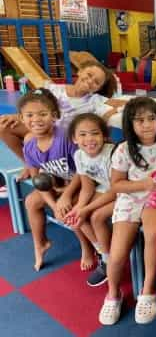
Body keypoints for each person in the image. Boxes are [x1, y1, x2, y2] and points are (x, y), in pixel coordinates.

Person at [98, 97, 156, 326]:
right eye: (140, 121)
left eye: (151, 118)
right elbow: (116, 184)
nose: (146, 125)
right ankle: (113, 294)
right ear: (130, 125)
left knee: (153, 236)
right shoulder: (124, 149)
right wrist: (142, 185)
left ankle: (147, 290)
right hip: (129, 198)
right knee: (116, 255)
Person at [0, 60, 121, 179]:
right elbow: (33, 108)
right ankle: (30, 164)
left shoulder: (95, 99)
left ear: (98, 88)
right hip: (43, 130)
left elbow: (123, 102)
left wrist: (108, 114)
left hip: (63, 140)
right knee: (3, 126)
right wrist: (15, 116)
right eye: (89, 75)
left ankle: (48, 169)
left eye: (96, 82)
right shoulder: (53, 89)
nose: (90, 81)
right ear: (80, 71)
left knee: (29, 138)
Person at [20, 89, 94, 272]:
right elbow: (38, 179)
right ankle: (40, 244)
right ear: (21, 118)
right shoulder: (29, 146)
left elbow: (83, 171)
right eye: (29, 115)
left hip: (83, 181)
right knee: (31, 201)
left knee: (68, 210)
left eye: (43, 114)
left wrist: (66, 197)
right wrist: (54, 205)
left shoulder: (65, 138)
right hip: (60, 183)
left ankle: (87, 247)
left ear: (54, 116)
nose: (36, 119)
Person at [64, 113, 116, 287]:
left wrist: (86, 208)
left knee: (95, 216)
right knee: (78, 216)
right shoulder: (79, 155)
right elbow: (87, 187)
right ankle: (102, 252)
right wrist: (79, 207)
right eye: (83, 134)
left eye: (95, 133)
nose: (89, 139)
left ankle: (110, 262)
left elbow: (116, 190)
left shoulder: (112, 154)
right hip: (104, 190)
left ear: (104, 136)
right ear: (74, 138)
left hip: (122, 192)